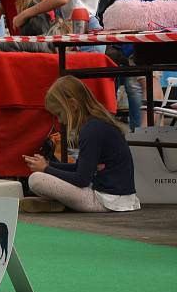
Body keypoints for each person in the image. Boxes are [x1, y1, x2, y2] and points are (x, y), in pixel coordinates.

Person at [22, 76, 140, 213]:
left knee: (36, 180)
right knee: (42, 177)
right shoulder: (97, 124)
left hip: (106, 200)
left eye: (59, 114)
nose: (60, 120)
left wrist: (46, 170)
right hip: (116, 198)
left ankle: (59, 203)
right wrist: (49, 164)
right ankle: (55, 204)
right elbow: (81, 167)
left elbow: (81, 179)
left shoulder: (91, 129)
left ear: (73, 105)